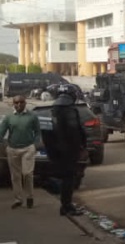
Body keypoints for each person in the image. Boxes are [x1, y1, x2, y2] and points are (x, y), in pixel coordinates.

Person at [40, 84, 87, 217]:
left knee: (65, 176)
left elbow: (46, 134)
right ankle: (66, 206)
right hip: (69, 151)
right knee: (70, 178)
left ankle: (65, 204)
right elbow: (75, 131)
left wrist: (52, 150)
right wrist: (82, 146)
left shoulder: (53, 110)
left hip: (56, 151)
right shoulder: (69, 110)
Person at [0, 95, 40, 209]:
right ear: (13, 104)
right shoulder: (9, 117)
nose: (18, 105)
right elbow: (1, 133)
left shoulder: (32, 116)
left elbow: (37, 132)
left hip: (28, 148)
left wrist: (35, 145)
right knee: (15, 176)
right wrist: (5, 144)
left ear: (25, 103)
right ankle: (18, 199)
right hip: (12, 149)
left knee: (27, 174)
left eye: (21, 102)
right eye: (16, 103)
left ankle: (30, 196)